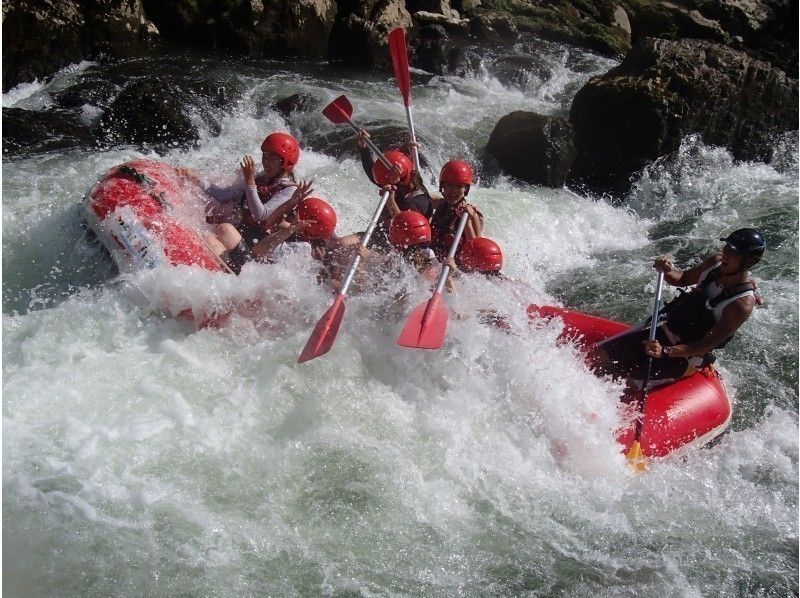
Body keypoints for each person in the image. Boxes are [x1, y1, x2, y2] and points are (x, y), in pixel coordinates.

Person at [595, 228, 766, 386]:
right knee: (601, 354)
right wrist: (667, 270)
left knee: (624, 380)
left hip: (685, 357)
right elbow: (683, 278)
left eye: (733, 251)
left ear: (748, 261)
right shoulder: (715, 264)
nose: (725, 252)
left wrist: (665, 351)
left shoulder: (740, 305)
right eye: (727, 246)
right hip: (664, 332)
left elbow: (706, 344)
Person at [201, 132, 314, 271]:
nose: (266, 161)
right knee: (212, 232)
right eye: (265, 155)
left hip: (259, 255)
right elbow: (222, 195)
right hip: (246, 242)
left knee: (225, 229)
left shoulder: (289, 190)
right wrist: (196, 180)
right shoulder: (260, 179)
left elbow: (260, 215)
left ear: (285, 162)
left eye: (272, 157)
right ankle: (226, 271)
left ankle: (230, 273)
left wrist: (249, 182)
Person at [344, 130, 433, 249]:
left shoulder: (419, 199)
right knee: (339, 244)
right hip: (378, 235)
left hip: (397, 245)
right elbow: (374, 174)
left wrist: (393, 194)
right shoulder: (393, 182)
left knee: (351, 252)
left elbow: (404, 225)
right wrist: (364, 149)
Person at [430, 160, 484, 257]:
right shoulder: (441, 204)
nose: (453, 191)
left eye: (459, 186)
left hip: (455, 266)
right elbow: (421, 193)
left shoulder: (473, 215)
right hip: (435, 259)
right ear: (443, 186)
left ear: (466, 189)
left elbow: (474, 251)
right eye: (449, 185)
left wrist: (467, 222)